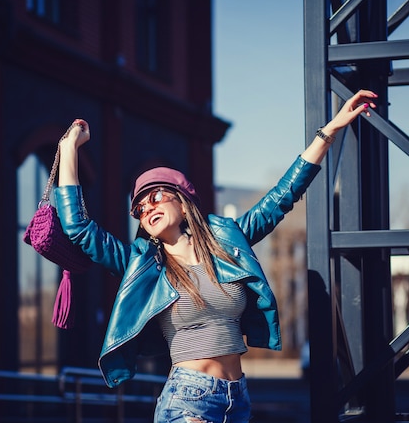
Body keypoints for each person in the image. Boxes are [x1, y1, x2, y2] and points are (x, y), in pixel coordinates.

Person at [54, 89, 377, 422]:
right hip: (188, 398)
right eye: (139, 206)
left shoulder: (226, 243)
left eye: (156, 196)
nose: (147, 206)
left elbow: (282, 197)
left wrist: (330, 132)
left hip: (237, 398)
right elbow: (78, 228)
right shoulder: (141, 263)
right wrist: (68, 150)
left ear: (182, 201)